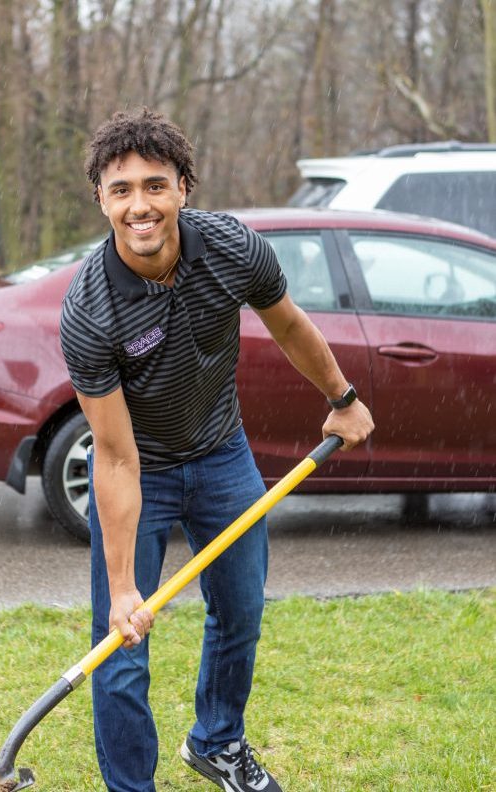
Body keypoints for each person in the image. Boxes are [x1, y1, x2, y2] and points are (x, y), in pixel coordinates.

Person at [60, 108, 374, 792]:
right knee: (120, 647)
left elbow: (288, 324)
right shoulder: (90, 311)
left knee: (240, 612)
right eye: (121, 191)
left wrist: (342, 400)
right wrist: (121, 592)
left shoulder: (231, 248)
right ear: (100, 201)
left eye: (153, 185)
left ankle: (217, 742)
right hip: (139, 469)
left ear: (182, 188)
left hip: (221, 452)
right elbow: (112, 458)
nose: (138, 205)